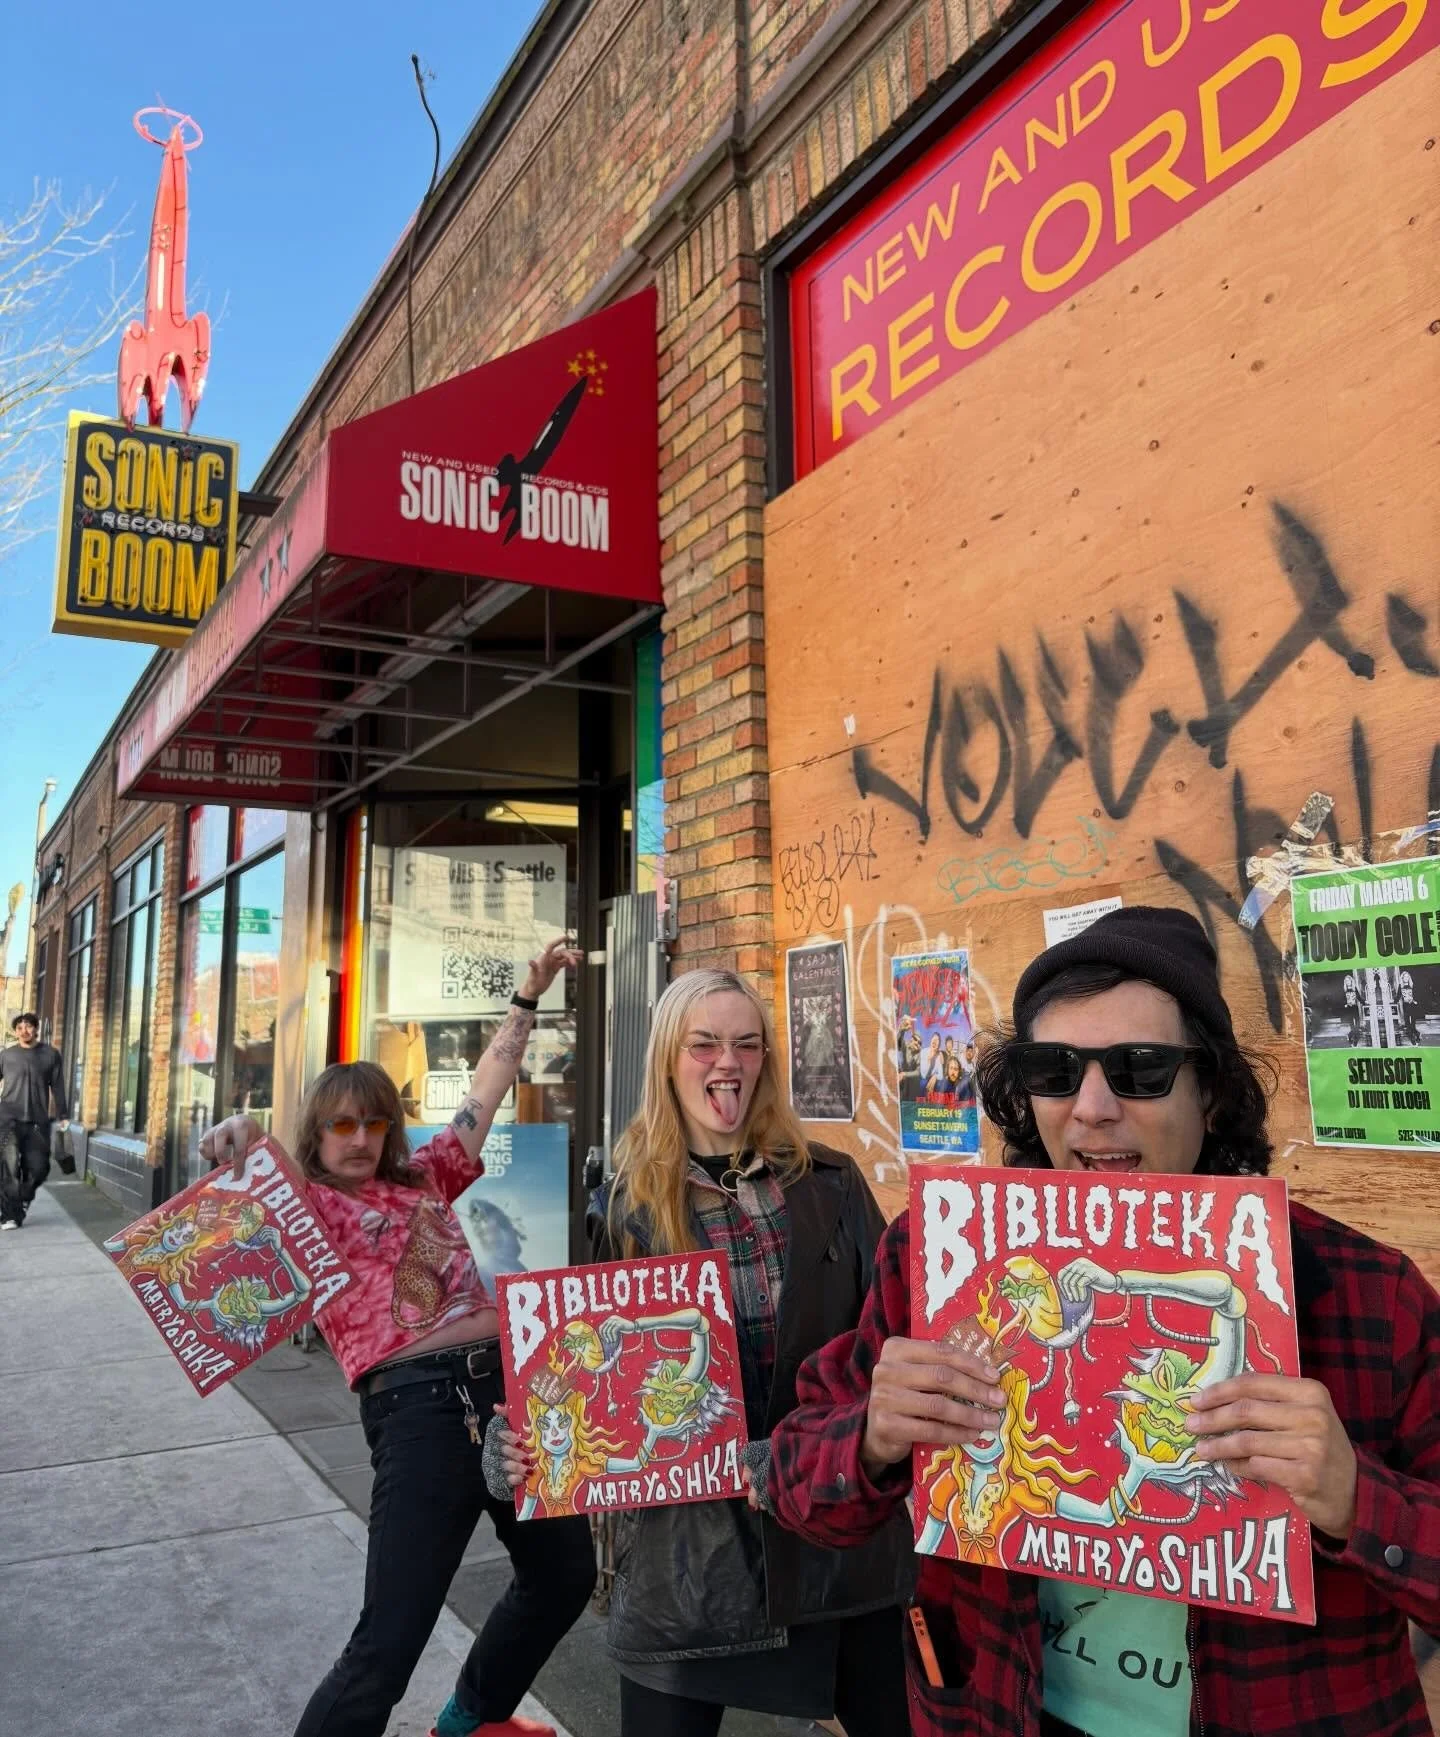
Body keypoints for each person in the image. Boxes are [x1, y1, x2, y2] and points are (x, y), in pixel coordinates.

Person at [758, 906, 1440, 1737]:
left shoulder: (1370, 1296)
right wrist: (870, 1434)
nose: (1091, 1107)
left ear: (1212, 1088)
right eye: (1055, 1068)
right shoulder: (942, 1265)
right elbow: (796, 1486)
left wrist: (1355, 1495)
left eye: (1141, 1068)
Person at [488, 967, 913, 1737]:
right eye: (706, 1043)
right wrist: (523, 1442)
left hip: (836, 1546)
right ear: (667, 1060)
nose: (729, 1062)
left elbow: (891, 1341)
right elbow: (588, 1376)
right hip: (686, 1569)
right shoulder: (624, 1206)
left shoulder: (834, 1184)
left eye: (748, 1044)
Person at [201, 937, 595, 1737]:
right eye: (340, 1122)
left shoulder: (426, 1179)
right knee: (389, 1642)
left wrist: (528, 995)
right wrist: (242, 1129)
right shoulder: (305, 1205)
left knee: (563, 1577)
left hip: (511, 1396)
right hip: (419, 1414)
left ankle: (467, 1720)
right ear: (316, 1130)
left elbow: (484, 1092)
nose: (360, 1135)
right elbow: (253, 1160)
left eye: (374, 1120)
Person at [0, 1012, 69, 1229]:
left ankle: (22, 1196)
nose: (24, 1030)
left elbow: (57, 1086)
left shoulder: (50, 1054)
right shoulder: (6, 1055)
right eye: (19, 1027)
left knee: (39, 1169)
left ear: (36, 1028)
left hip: (38, 1122)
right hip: (8, 1120)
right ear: (15, 1031)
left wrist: (63, 1115)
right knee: (9, 1169)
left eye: (28, 1026)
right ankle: (10, 1215)